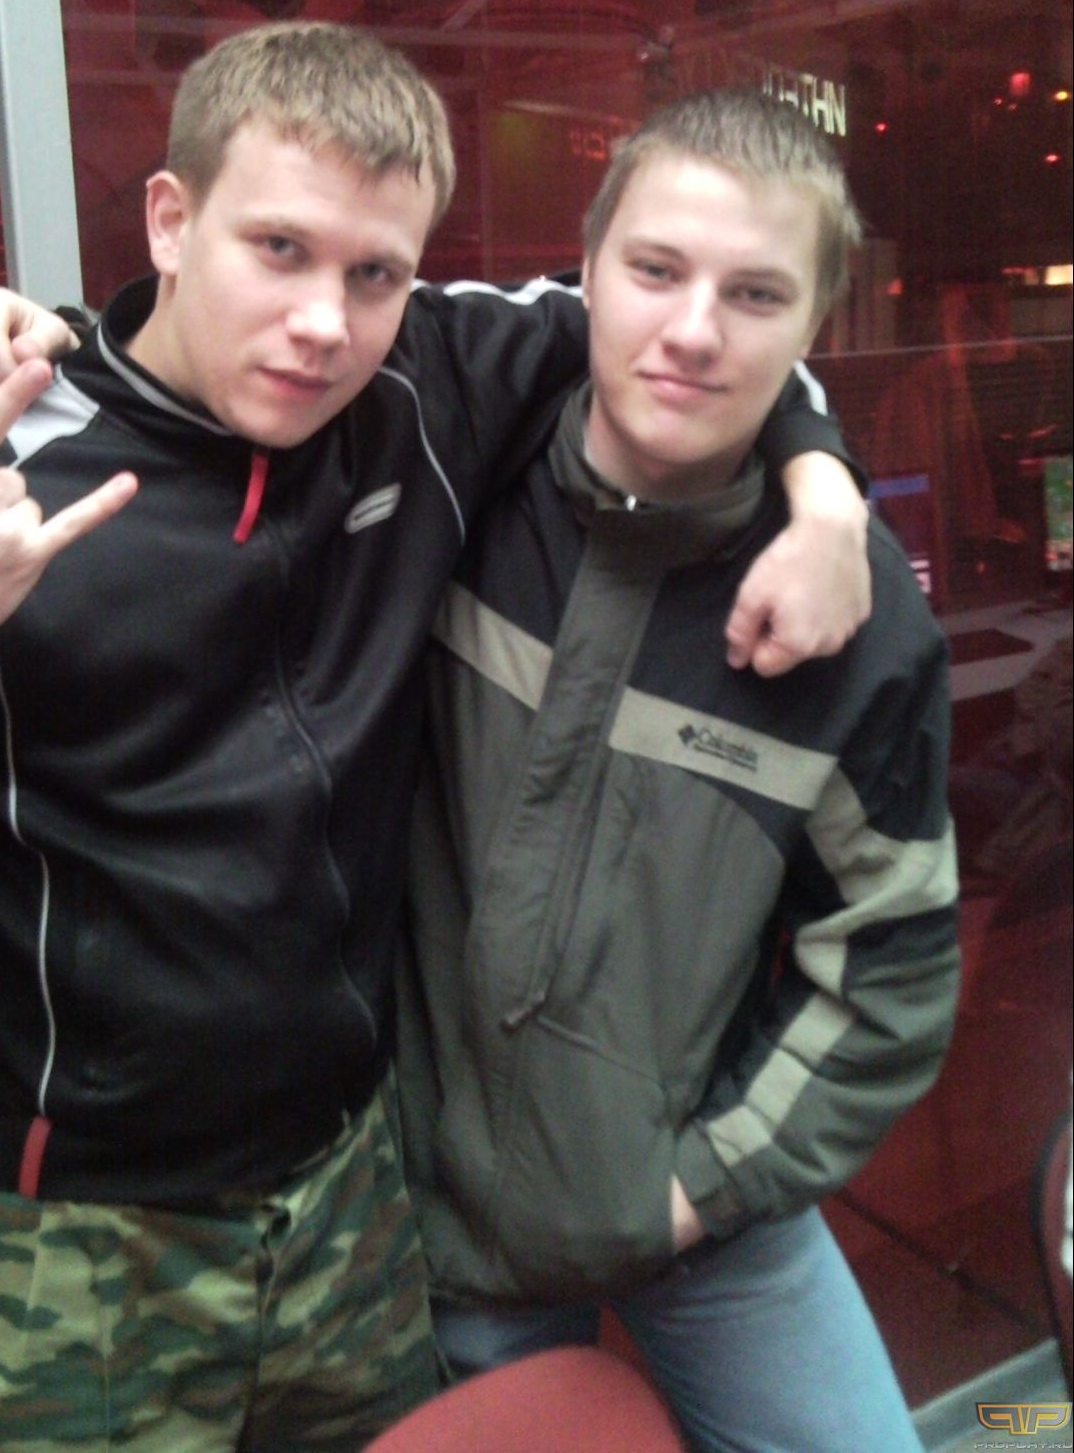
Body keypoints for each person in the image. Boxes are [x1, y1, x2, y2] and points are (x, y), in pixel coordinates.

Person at [0, 26, 867, 1453]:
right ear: (170, 220)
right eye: (279, 249)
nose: (324, 323)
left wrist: (826, 496)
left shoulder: (423, 386)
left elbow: (692, 338)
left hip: (355, 1200)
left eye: (375, 273)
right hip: (73, 1238)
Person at [396, 89, 960, 1453]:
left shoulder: (860, 617)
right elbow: (238, 343)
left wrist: (699, 1192)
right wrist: (46, 340)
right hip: (435, 1212)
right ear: (585, 272)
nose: (696, 330)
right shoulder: (454, 468)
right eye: (656, 270)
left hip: (692, 1206)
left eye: (756, 294)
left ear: (813, 326)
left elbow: (888, 963)